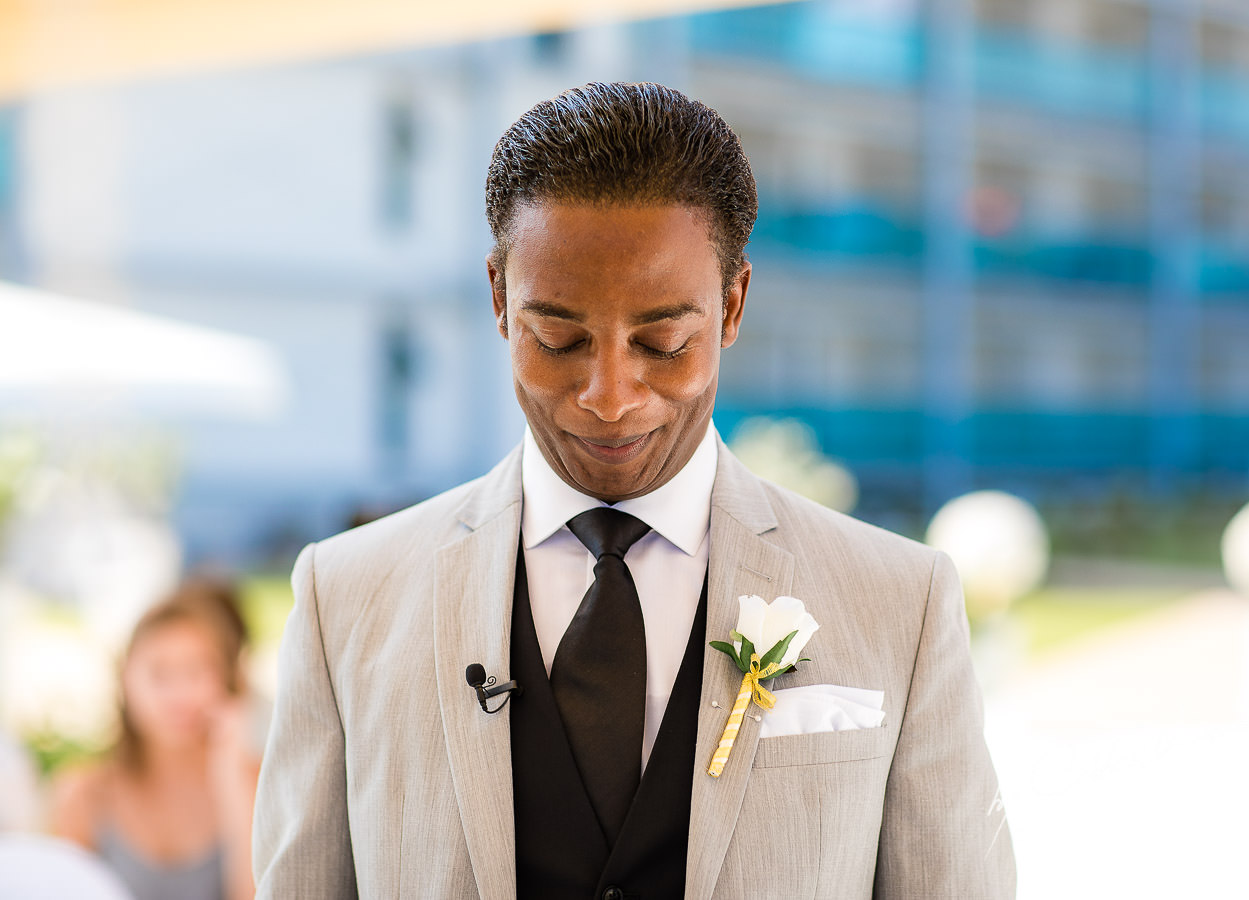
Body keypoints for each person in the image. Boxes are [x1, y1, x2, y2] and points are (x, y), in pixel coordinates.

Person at [253, 81, 1015, 898]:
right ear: (500, 301)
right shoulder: (345, 600)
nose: (609, 396)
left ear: (731, 305)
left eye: (663, 342)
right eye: (559, 339)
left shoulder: (903, 604)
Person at [50, 579, 260, 900]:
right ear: (125, 678)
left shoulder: (256, 784)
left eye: (196, 670)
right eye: (159, 673)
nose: (179, 694)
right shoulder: (83, 794)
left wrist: (232, 780)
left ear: (226, 679)